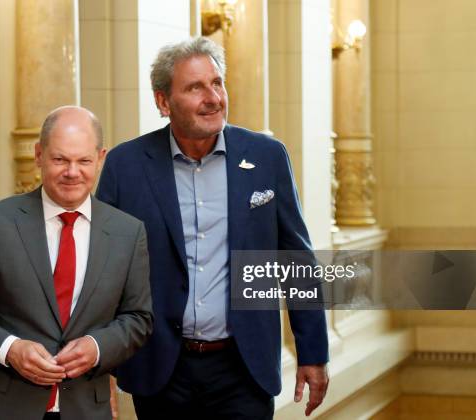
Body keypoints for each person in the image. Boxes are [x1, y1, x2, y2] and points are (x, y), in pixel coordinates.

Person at [96, 37, 329, 419]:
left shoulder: (267, 157)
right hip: (160, 370)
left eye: (217, 83)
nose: (213, 97)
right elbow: (104, 273)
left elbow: (296, 260)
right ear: (162, 102)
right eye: (195, 87)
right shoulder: (126, 165)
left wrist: (313, 353)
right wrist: (100, 364)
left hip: (243, 367)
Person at [0, 106, 153, 420]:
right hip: (1, 408)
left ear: (101, 158)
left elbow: (138, 318)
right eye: (60, 159)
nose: (72, 172)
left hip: (86, 409)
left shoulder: (129, 233)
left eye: (84, 161)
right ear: (39, 155)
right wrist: (9, 348)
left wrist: (98, 346)